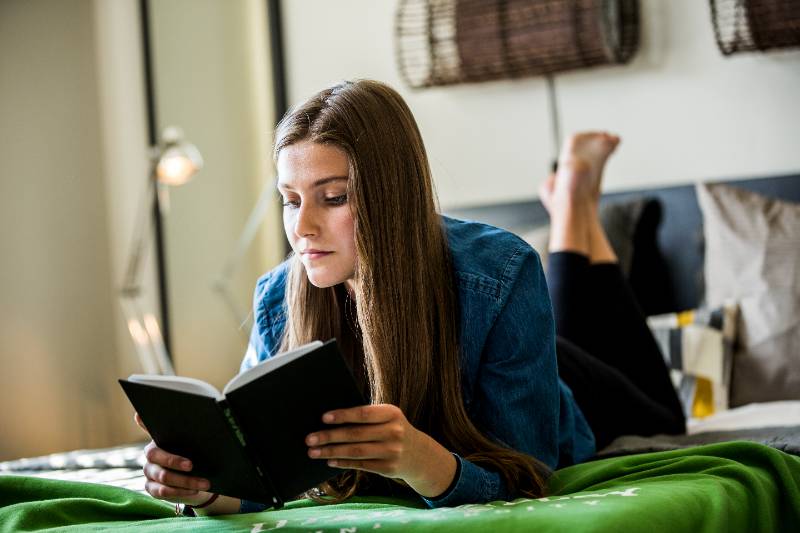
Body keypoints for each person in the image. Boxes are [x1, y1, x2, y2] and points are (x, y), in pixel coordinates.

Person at [136, 79, 685, 516]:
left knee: (664, 407)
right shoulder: (279, 297)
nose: (300, 227)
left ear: (390, 197)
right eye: (289, 199)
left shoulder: (500, 273)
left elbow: (530, 473)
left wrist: (426, 462)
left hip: (576, 386)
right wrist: (205, 487)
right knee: (572, 316)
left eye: (332, 198)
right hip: (508, 336)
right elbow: (269, 479)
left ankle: (573, 205)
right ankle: (572, 206)